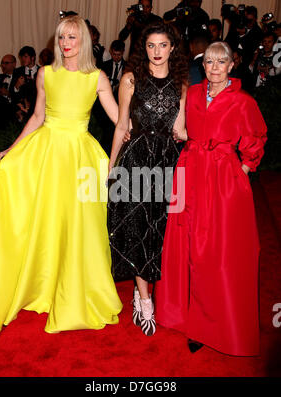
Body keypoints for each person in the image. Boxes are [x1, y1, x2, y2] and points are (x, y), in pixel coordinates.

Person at [0, 15, 122, 335]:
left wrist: (126, 151)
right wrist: (12, 151)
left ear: (83, 40)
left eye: (72, 37)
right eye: (61, 38)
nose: (66, 43)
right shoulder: (45, 74)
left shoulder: (97, 77)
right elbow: (37, 116)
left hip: (80, 155)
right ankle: (41, 283)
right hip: (47, 152)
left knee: (80, 224)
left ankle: (75, 287)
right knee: (45, 219)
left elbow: (119, 121)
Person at [155, 41, 267, 356]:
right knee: (185, 243)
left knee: (217, 250)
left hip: (222, 180)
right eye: (209, 63)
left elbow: (257, 136)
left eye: (221, 62)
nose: (214, 68)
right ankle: (184, 314)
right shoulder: (191, 94)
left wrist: (243, 167)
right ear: (202, 66)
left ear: (232, 65)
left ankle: (214, 322)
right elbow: (181, 129)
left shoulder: (243, 101)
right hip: (189, 172)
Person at [107, 22, 188, 336]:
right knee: (139, 228)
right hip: (137, 160)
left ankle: (156, 295)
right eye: (151, 46)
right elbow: (120, 125)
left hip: (168, 161)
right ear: (145, 48)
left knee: (163, 229)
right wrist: (112, 167)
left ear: (171, 48)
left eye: (162, 45)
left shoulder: (181, 83)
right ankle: (144, 302)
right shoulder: (130, 79)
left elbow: (180, 130)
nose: (157, 52)